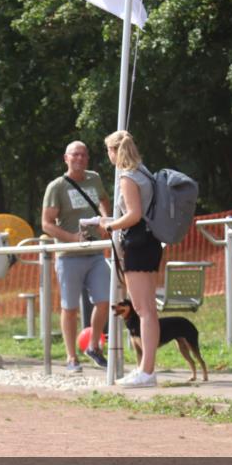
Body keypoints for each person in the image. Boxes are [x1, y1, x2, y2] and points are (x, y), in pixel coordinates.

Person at [41, 140, 112, 373]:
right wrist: (71, 239)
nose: (80, 159)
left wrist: (105, 219)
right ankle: (71, 357)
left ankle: (93, 347)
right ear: (66, 158)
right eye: (75, 155)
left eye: (83, 155)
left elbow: (103, 200)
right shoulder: (57, 186)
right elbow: (46, 224)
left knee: (104, 301)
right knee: (69, 308)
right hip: (69, 255)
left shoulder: (94, 178)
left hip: (95, 252)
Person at [104, 130, 162, 388]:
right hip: (152, 241)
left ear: (115, 151)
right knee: (149, 309)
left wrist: (110, 225)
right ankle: (146, 368)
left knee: (143, 310)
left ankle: (146, 371)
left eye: (109, 151)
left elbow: (134, 215)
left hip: (137, 243)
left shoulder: (127, 177)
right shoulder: (145, 173)